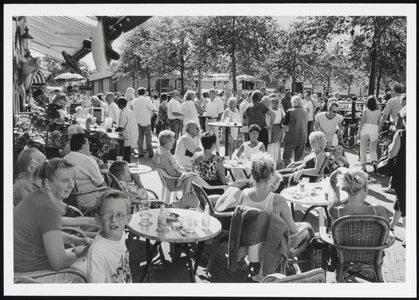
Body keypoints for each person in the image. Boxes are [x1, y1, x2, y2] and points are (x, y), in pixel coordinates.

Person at [238, 153, 312, 280]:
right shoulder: (277, 200)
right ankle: (307, 271)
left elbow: (241, 221)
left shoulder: (244, 194)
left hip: (251, 243)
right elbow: (293, 230)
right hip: (272, 247)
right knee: (308, 228)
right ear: (270, 174)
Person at [14, 158, 91, 273]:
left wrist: (75, 239)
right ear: (48, 184)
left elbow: (48, 233)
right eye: (64, 181)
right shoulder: (48, 208)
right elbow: (59, 263)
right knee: (96, 267)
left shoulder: (35, 197)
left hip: (19, 269)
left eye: (73, 179)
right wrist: (80, 252)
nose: (71, 185)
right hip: (35, 275)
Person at [87, 190, 132, 283]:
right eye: (108, 215)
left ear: (128, 219)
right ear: (98, 219)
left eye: (120, 215)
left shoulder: (121, 234)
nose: (114, 220)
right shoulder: (96, 252)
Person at [64, 133, 106, 209]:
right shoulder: (87, 160)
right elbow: (102, 184)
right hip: (89, 199)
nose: (89, 147)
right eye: (88, 145)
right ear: (83, 147)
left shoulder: (66, 158)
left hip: (70, 198)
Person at [387, 108, 406, 247]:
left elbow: (392, 153)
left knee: (405, 205)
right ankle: (392, 225)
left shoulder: (401, 134)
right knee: (399, 201)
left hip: (402, 173)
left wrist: (389, 148)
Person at [281, 96, 309, 168]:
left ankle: (288, 171)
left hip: (291, 138)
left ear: (293, 102)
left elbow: (284, 125)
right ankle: (296, 172)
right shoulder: (305, 112)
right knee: (298, 159)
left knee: (286, 156)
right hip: (302, 137)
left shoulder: (290, 111)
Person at [357, 95, 381, 173]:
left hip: (365, 130)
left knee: (363, 149)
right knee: (373, 149)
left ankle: (363, 166)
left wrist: (359, 132)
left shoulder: (366, 111)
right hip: (374, 131)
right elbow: (379, 123)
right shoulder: (378, 111)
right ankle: (374, 162)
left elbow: (362, 122)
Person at [132, 87, 155, 158]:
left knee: (140, 137)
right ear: (145, 92)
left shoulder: (135, 101)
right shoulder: (146, 100)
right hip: (146, 120)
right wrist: (152, 115)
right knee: (148, 137)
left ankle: (140, 151)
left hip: (137, 120)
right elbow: (153, 108)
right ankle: (150, 152)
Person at [115, 97, 139, 162]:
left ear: (120, 104)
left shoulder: (123, 113)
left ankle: (127, 167)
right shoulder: (129, 111)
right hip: (131, 134)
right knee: (127, 153)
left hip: (126, 135)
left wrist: (113, 130)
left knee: (125, 154)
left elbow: (121, 126)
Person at [205, 88, 224, 155]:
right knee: (207, 136)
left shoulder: (219, 101)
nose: (209, 95)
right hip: (207, 119)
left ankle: (217, 151)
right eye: (209, 93)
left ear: (214, 94)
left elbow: (221, 112)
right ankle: (209, 150)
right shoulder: (208, 101)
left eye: (210, 93)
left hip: (214, 119)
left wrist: (218, 120)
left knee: (215, 136)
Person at [269, 97, 285, 169]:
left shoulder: (270, 111)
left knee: (271, 145)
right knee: (277, 145)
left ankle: (272, 160)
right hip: (279, 129)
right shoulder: (281, 111)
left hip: (272, 128)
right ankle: (278, 160)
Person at [167, 90, 184, 154]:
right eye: (177, 94)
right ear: (173, 95)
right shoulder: (173, 102)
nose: (178, 95)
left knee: (176, 137)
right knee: (174, 137)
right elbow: (174, 113)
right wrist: (183, 114)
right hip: (174, 120)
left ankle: (173, 150)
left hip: (176, 120)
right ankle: (173, 151)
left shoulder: (175, 102)